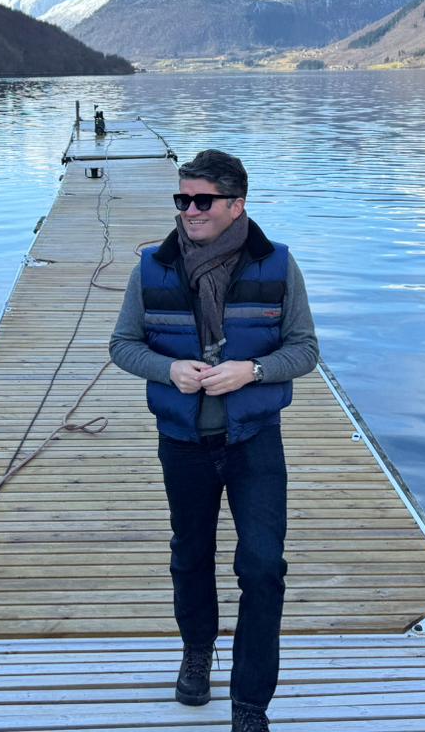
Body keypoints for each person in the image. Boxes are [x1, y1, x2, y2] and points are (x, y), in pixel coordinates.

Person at [108, 149, 319, 732]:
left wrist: (253, 370)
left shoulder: (277, 265)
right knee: (191, 555)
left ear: (236, 205)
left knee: (263, 567)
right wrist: (165, 370)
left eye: (203, 201)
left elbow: (304, 349)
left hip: (254, 441)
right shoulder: (151, 267)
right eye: (183, 200)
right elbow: (122, 345)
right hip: (182, 441)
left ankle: (250, 705)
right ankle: (197, 650)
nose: (190, 211)